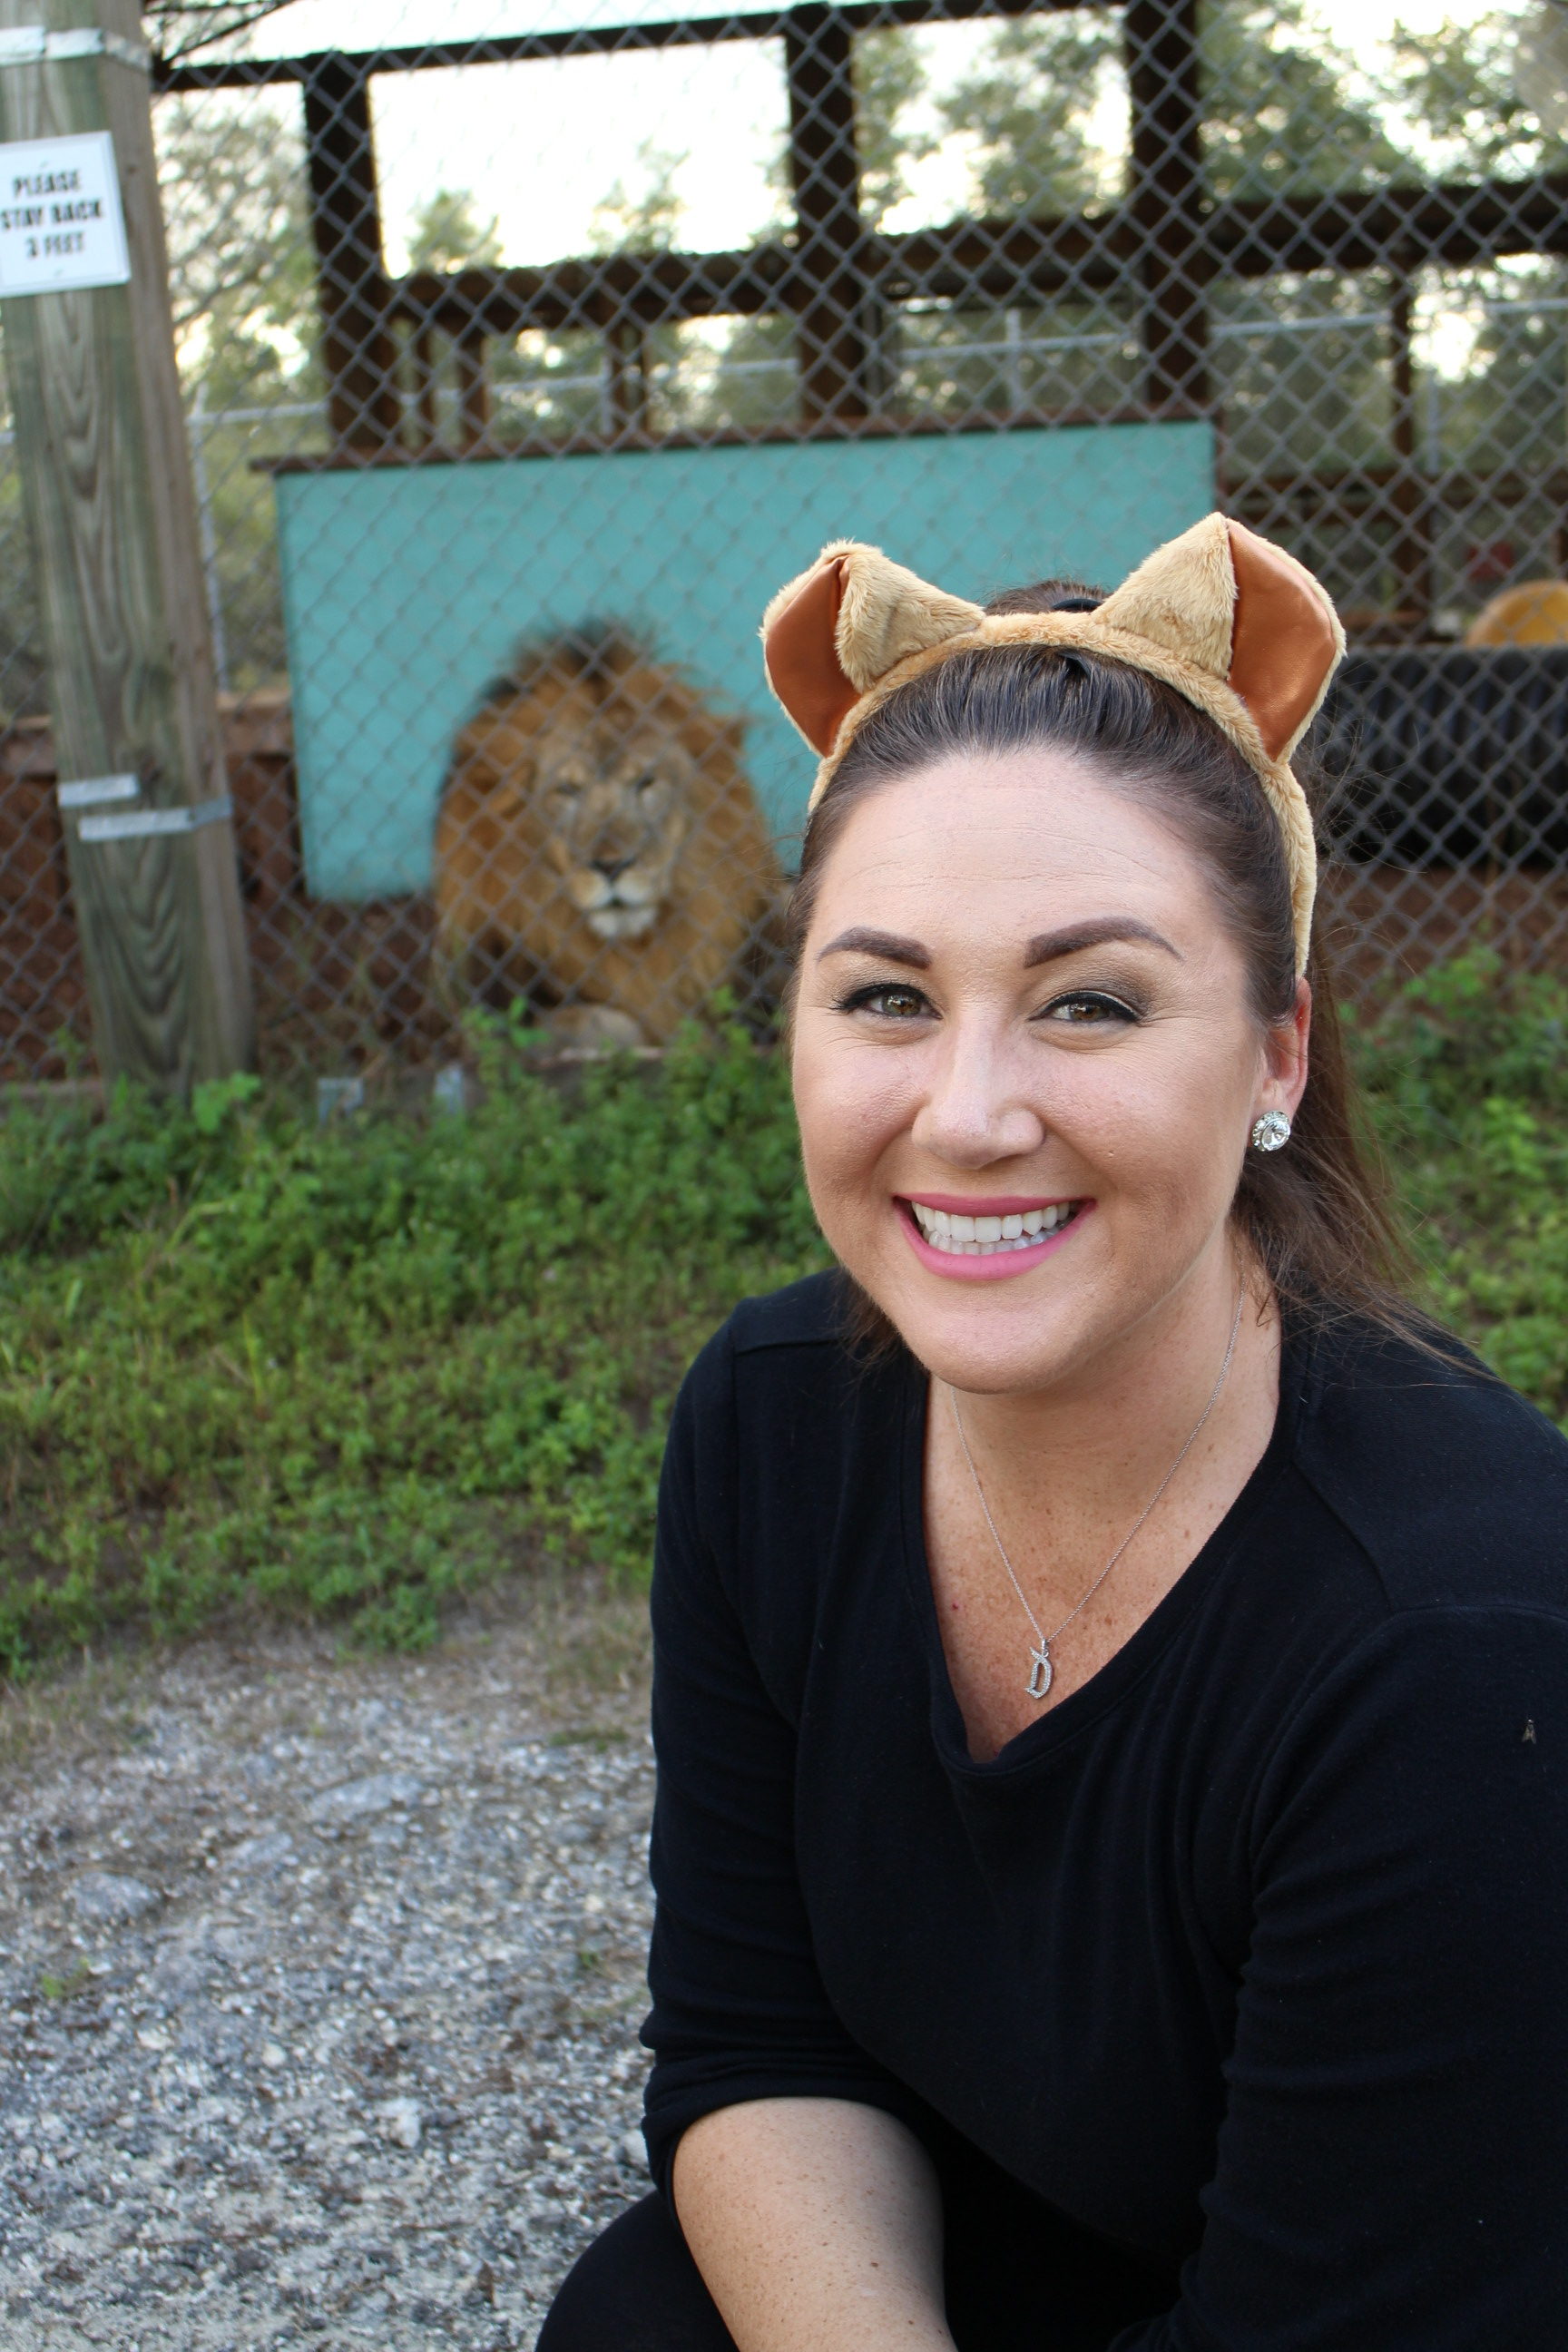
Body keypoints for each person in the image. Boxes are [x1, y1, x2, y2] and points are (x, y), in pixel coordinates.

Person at [537, 515, 1568, 2352]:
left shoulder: (1458, 1640)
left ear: (1274, 1054)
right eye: (887, 998)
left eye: (1090, 1002)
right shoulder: (773, 1431)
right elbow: (755, 2038)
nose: (970, 1111)